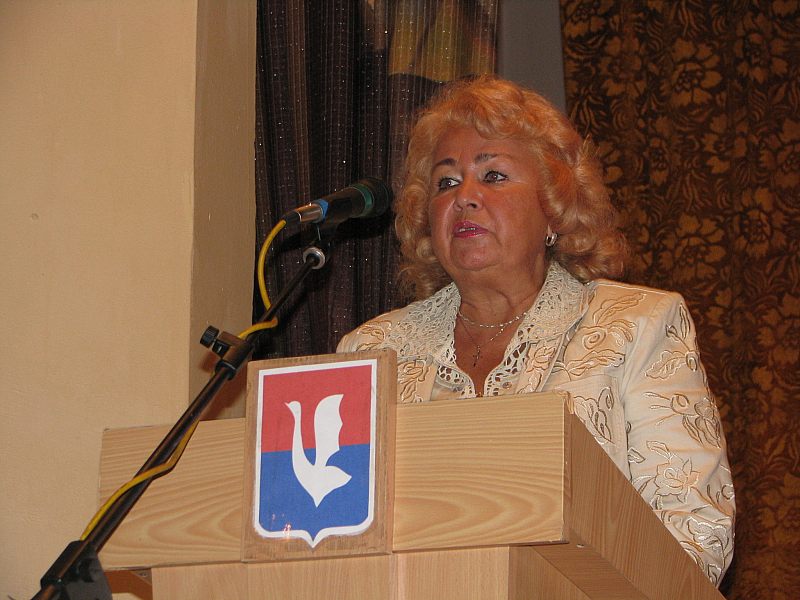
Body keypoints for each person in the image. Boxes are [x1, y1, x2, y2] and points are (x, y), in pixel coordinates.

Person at [337, 76, 734, 584]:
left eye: (494, 175)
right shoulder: (371, 352)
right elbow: (338, 537)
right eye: (446, 182)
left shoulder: (635, 326)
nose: (465, 197)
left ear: (553, 209)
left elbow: (696, 535)